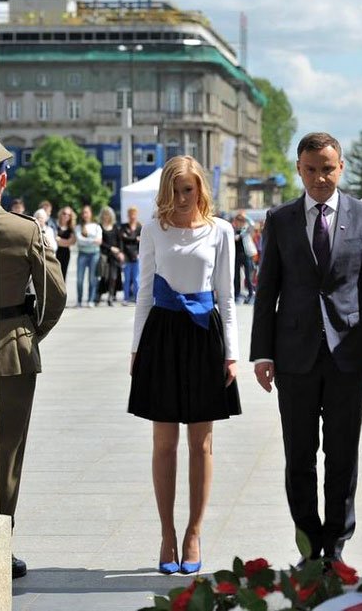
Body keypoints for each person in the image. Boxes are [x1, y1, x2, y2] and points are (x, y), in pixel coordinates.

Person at [250, 132, 362, 563]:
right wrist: (262, 353)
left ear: (341, 166)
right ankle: (308, 543)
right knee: (299, 455)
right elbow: (266, 289)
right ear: (299, 169)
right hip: (293, 355)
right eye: (311, 169)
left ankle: (336, 543)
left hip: (349, 354)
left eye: (327, 168)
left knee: (342, 454)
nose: (319, 177)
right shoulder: (279, 219)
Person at [128, 155, 241, 575]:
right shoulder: (153, 228)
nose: (180, 197)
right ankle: (167, 533)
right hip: (162, 333)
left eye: (188, 189)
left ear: (201, 189)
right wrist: (136, 348)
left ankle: (193, 532)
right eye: (174, 190)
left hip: (204, 335)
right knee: (163, 442)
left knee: (202, 442)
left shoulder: (221, 231)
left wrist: (232, 352)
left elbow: (227, 297)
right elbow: (143, 291)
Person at [0, 140, 67, 578]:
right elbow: (54, 295)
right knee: (7, 453)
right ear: (2, 179)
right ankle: (1, 541)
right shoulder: (24, 230)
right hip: (12, 349)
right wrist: (29, 331)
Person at [74, 204, 102, 307]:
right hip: (82, 254)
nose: (85, 214)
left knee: (92, 279)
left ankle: (91, 300)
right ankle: (79, 300)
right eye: (83, 212)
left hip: (94, 254)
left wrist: (87, 240)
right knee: (80, 279)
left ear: (91, 214)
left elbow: (99, 241)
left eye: (87, 212)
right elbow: (80, 241)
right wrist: (92, 240)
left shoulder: (96, 226)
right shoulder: (78, 227)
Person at [98, 207, 124, 306]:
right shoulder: (99, 226)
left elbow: (120, 241)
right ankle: (99, 295)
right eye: (104, 214)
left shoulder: (115, 227)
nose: (106, 216)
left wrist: (120, 252)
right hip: (104, 255)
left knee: (113, 277)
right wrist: (110, 248)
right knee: (104, 277)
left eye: (108, 214)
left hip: (114, 256)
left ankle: (111, 297)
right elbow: (101, 242)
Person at [120, 206, 143, 306]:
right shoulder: (124, 226)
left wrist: (129, 238)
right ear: (128, 215)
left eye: (134, 214)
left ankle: (137, 298)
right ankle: (126, 298)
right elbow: (122, 240)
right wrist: (135, 239)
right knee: (127, 279)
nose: (132, 216)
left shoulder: (139, 227)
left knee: (136, 279)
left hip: (137, 256)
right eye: (130, 214)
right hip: (126, 256)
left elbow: (142, 242)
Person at [54, 206, 77, 279]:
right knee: (54, 275)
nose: (66, 216)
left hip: (65, 254)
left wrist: (59, 240)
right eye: (64, 213)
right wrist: (66, 242)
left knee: (63, 276)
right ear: (61, 214)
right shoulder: (55, 225)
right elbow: (53, 240)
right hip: (54, 253)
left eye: (69, 214)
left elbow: (72, 242)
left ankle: (61, 291)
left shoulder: (71, 228)